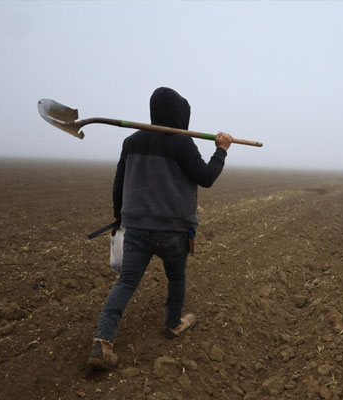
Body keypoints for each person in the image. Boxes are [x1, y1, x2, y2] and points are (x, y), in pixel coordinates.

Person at [88, 87, 233, 369]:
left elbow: (119, 183)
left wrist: (119, 216)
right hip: (173, 231)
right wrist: (221, 151)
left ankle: (102, 341)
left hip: (137, 228)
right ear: (181, 115)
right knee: (176, 279)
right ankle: (173, 323)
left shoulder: (131, 142)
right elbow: (206, 178)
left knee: (126, 282)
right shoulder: (181, 143)